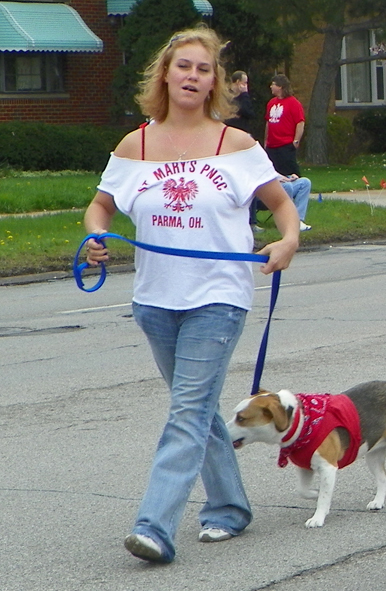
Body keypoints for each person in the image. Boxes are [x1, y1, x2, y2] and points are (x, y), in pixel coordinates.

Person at [83, 26, 299, 564]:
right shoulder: (136, 145)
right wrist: (93, 238)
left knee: (186, 409)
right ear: (166, 74)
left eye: (204, 70)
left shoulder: (237, 145)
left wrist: (288, 240)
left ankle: (154, 526)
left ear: (213, 83)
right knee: (197, 410)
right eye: (184, 66)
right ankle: (229, 506)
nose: (192, 76)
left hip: (218, 298)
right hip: (155, 300)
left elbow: (281, 203)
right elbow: (101, 206)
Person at [225, 70, 261, 233]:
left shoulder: (243, 99)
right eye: (242, 83)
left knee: (248, 180)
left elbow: (249, 113)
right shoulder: (227, 99)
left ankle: (251, 220)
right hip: (228, 143)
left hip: (242, 141)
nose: (244, 87)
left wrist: (245, 95)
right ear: (234, 83)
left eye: (246, 83)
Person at [264, 74, 305, 177]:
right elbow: (268, 122)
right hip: (272, 146)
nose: (271, 87)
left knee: (290, 173)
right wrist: (266, 141)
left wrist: (296, 141)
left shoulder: (293, 103)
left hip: (285, 145)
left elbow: (300, 122)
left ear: (280, 86)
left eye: (273, 84)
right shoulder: (271, 103)